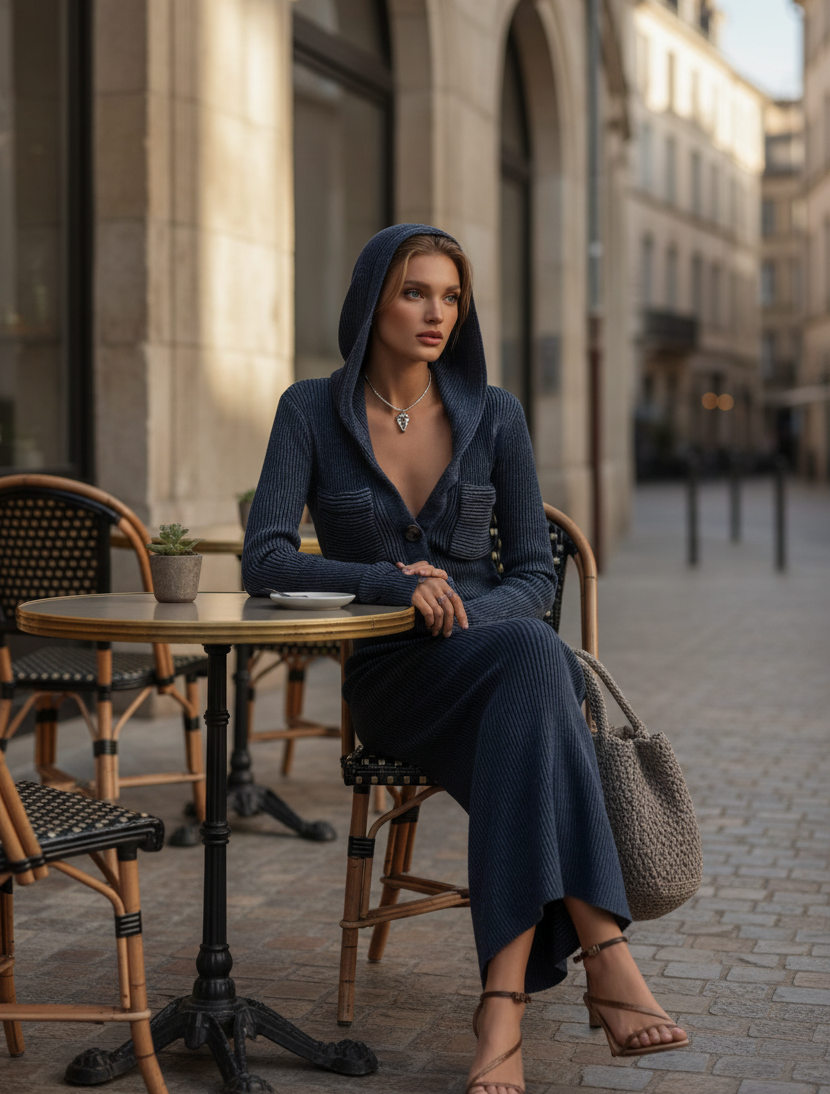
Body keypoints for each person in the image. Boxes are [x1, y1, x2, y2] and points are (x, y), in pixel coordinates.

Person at [242, 224, 688, 1094]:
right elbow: (263, 557)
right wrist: (388, 581)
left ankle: (502, 1006)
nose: (436, 312)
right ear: (373, 299)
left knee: (526, 654)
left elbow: (531, 577)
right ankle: (604, 953)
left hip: (494, 658)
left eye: (451, 296)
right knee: (538, 669)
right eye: (416, 292)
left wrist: (466, 615)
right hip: (394, 681)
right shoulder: (309, 409)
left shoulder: (497, 415)